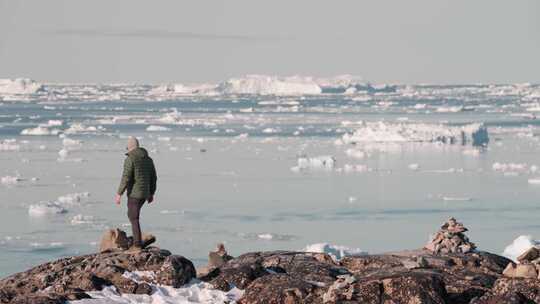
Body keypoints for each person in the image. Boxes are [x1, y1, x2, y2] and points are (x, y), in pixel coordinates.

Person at [115, 137, 157, 252]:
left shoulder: (130, 159)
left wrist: (119, 193)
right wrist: (151, 193)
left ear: (130, 147)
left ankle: (137, 244)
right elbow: (153, 177)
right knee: (133, 215)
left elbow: (126, 177)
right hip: (145, 194)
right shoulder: (148, 159)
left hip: (134, 194)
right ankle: (137, 240)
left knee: (133, 217)